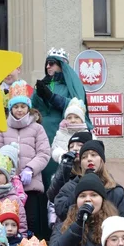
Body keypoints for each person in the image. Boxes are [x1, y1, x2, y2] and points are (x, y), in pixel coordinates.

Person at [0, 83, 51, 238]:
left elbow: (44, 152)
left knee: (30, 221)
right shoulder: (2, 128)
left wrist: (30, 169)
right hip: (9, 186)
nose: (19, 110)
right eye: (16, 107)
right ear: (10, 108)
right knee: (9, 220)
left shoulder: (37, 128)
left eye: (22, 106)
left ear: (28, 108)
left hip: (30, 184)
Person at [34, 48, 88, 188]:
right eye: (46, 63)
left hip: (61, 135)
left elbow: (76, 105)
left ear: (61, 64)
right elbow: (31, 109)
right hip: (40, 137)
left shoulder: (71, 86)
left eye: (51, 63)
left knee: (58, 176)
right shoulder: (42, 85)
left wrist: (51, 97)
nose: (47, 67)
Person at [53, 140, 124, 224]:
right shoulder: (70, 187)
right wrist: (79, 190)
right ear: (81, 163)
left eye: (93, 155)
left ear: (102, 160)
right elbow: (61, 212)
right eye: (84, 157)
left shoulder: (115, 191)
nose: (89, 159)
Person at [0, 147, 28, 235]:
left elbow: (22, 223)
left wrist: (22, 239)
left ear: (7, 176)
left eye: (0, 173)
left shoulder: (14, 199)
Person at [47, 130, 92, 211]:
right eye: (71, 147)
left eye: (80, 145)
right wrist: (64, 167)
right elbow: (52, 196)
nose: (74, 149)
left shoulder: (97, 170)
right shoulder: (65, 169)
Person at [50, 98, 90, 162]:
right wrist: (63, 156)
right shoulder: (61, 133)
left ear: (82, 119)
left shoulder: (88, 134)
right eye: (69, 117)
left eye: (76, 117)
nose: (73, 120)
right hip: (65, 167)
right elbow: (54, 150)